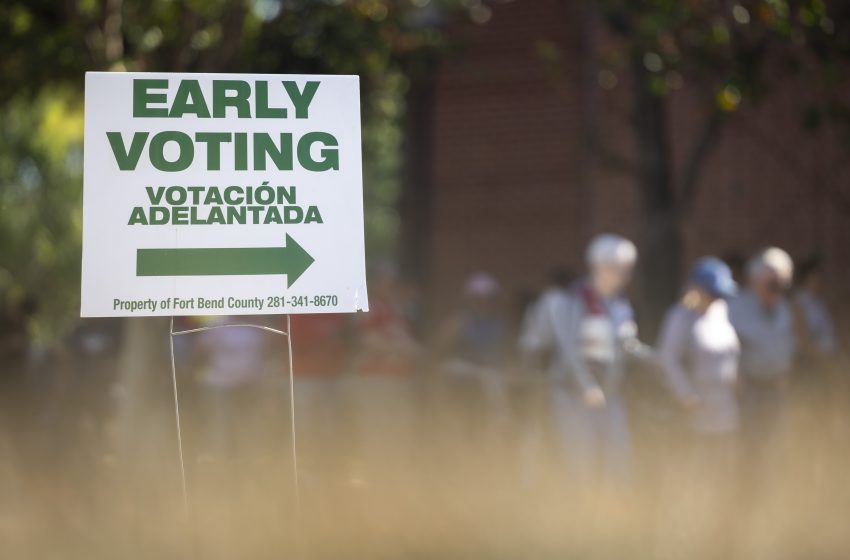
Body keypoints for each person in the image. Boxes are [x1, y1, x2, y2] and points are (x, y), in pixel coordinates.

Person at [526, 234, 649, 490]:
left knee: (619, 461)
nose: (625, 277)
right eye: (619, 270)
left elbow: (627, 345)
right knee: (581, 460)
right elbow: (568, 347)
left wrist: (659, 361)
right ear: (601, 267)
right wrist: (586, 386)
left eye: (627, 270)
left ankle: (614, 509)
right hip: (574, 395)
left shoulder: (619, 304)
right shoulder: (571, 300)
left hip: (610, 392)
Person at [655, 257, 741, 560]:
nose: (715, 298)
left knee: (723, 482)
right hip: (695, 418)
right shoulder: (680, 317)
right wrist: (687, 396)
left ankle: (717, 541)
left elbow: (730, 356)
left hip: (726, 415)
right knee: (693, 482)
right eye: (711, 292)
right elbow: (668, 359)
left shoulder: (721, 312)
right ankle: (683, 542)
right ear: (696, 289)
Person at [728, 247, 795, 466]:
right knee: (748, 449)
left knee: (774, 449)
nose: (778, 290)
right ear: (755, 280)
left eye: (783, 285)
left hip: (775, 389)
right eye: (773, 284)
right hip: (748, 391)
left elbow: (786, 343)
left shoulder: (782, 308)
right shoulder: (736, 309)